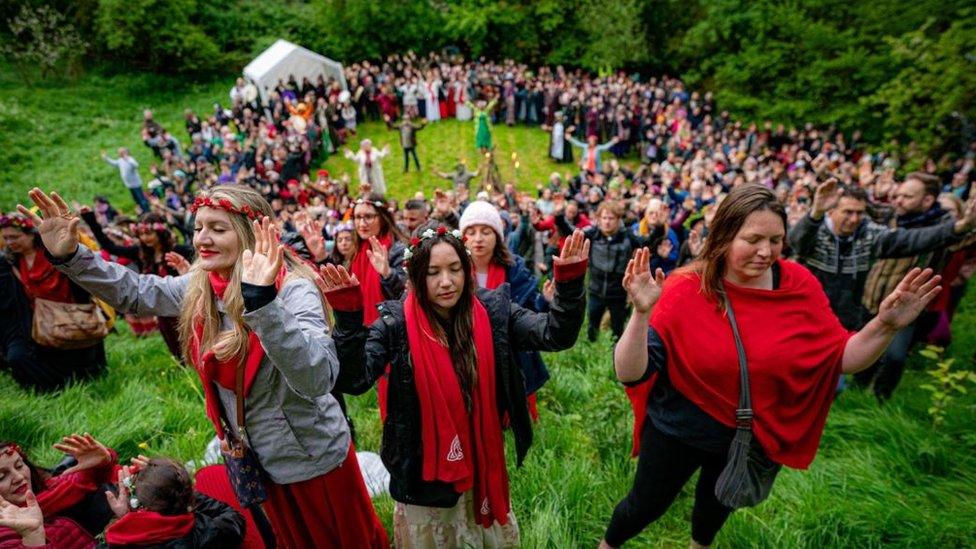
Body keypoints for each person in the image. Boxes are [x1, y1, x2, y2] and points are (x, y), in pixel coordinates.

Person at [20, 186, 388, 548]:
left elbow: (317, 377)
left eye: (217, 228)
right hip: (257, 459)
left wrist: (263, 303)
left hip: (314, 460)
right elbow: (136, 291)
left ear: (252, 233)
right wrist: (71, 256)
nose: (201, 239)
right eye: (197, 228)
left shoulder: (293, 290)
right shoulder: (203, 286)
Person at [601, 185, 942, 548]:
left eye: (776, 240)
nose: (766, 252)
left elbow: (840, 357)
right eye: (754, 239)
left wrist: (885, 325)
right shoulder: (685, 288)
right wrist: (640, 314)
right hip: (677, 430)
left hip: (745, 438)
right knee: (644, 506)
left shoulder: (798, 285)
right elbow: (630, 372)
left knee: (713, 512)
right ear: (723, 237)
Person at [321, 224, 589, 548]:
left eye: (454, 269)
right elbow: (355, 379)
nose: (446, 282)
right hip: (422, 475)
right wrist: (348, 319)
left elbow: (554, 334)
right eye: (433, 272)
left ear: (467, 268)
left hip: (482, 466)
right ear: (417, 276)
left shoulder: (493, 311)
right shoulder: (396, 324)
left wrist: (570, 284)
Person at [789, 179, 975, 331]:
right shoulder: (815, 231)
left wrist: (959, 227)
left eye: (860, 213)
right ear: (831, 211)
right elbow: (797, 241)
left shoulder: (869, 234)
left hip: (844, 321)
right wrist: (815, 214)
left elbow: (910, 240)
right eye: (848, 212)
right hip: (804, 315)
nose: (854, 219)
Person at [858, 173, 967, 399]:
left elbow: (961, 238)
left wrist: (965, 224)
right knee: (866, 348)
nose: (898, 200)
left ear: (927, 201)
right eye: (897, 195)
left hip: (905, 307)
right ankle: (858, 389)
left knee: (895, 357)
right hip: (874, 295)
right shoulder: (893, 215)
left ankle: (880, 399)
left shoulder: (944, 228)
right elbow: (865, 204)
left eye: (907, 196)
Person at [460, 201, 555, 421]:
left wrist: (545, 301)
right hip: (469, 352)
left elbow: (531, 313)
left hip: (511, 352)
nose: (478, 239)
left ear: (498, 235)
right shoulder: (455, 271)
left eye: (486, 232)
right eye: (471, 232)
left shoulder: (514, 269)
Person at [0, 213, 108, 392]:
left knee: (81, 351)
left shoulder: (53, 252)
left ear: (30, 234)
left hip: (72, 311)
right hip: (43, 319)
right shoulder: (12, 262)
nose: (10, 242)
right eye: (6, 238)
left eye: (15, 236)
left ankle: (92, 385)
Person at [79, 210, 194, 360]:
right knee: (174, 343)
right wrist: (91, 220)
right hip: (162, 310)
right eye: (141, 234)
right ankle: (183, 366)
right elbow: (109, 247)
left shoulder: (179, 251)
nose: (145, 238)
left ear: (161, 233)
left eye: (149, 233)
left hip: (184, 307)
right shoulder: (140, 254)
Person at [347, 194, 409, 420]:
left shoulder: (397, 249)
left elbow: (406, 293)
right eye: (357, 217)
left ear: (382, 217)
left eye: (368, 217)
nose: (362, 223)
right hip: (368, 328)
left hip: (394, 329)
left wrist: (387, 274)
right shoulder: (357, 250)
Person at [99, 457, 245, 548]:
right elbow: (234, 518)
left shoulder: (118, 542)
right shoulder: (209, 533)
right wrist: (169, 483)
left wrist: (127, 520)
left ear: (138, 506)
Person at [0, 435, 118, 540]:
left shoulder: (52, 489)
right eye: (2, 476)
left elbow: (85, 479)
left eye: (19, 466)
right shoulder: (6, 530)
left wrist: (104, 460)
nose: (19, 477)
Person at [581, 201, 653, 342]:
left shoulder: (627, 235)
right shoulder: (593, 234)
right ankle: (591, 348)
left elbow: (646, 242)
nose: (607, 222)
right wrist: (559, 216)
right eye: (604, 218)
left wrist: (658, 228)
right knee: (593, 323)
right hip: (596, 290)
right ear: (599, 219)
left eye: (611, 218)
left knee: (618, 327)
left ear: (618, 219)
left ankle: (617, 353)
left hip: (618, 293)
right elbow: (570, 232)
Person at [101, 148, 149, 214]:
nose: (121, 154)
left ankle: (147, 211)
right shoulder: (120, 161)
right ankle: (142, 211)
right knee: (136, 199)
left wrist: (128, 160)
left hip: (136, 184)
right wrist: (106, 158)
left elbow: (136, 165)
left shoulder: (130, 159)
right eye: (120, 153)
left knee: (141, 198)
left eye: (122, 152)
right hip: (129, 185)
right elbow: (113, 163)